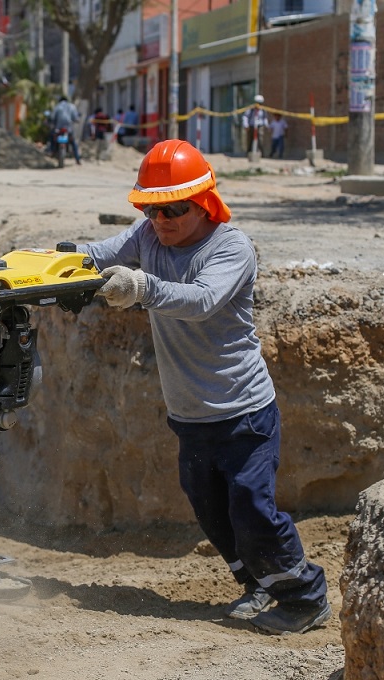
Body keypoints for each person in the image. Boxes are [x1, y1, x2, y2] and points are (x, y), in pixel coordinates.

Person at [74, 139, 331, 636]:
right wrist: (45, 263)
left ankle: (304, 597)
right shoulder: (149, 234)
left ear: (203, 201)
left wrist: (142, 288)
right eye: (150, 208)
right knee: (211, 510)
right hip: (190, 414)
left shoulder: (230, 247)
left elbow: (202, 299)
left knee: (252, 506)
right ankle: (258, 584)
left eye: (173, 209)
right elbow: (95, 256)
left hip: (243, 412)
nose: (161, 220)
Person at [50, 95, 81, 165]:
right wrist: (77, 120)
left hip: (58, 129)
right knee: (73, 143)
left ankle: (52, 151)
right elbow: (76, 118)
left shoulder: (57, 107)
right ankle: (77, 159)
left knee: (52, 137)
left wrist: (51, 122)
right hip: (68, 128)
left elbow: (52, 117)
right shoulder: (72, 106)